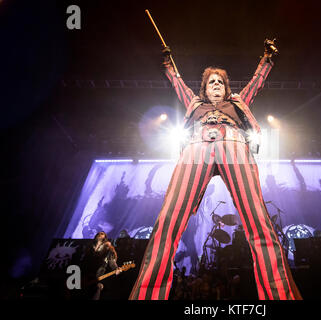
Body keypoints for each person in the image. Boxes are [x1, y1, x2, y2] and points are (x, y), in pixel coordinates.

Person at [129, 39, 302, 300]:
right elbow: (177, 82)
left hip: (233, 143)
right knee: (168, 220)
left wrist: (267, 58)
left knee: (259, 221)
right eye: (211, 82)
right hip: (197, 146)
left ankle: (280, 296)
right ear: (205, 88)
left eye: (220, 81)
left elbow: (256, 83)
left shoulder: (238, 101)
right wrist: (167, 63)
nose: (216, 85)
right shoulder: (195, 103)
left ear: (226, 87)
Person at [82, 231, 121, 300]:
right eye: (98, 233)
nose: (99, 234)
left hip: (98, 274)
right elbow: (83, 260)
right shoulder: (90, 247)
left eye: (102, 234)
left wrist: (116, 268)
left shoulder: (108, 248)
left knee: (96, 290)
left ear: (105, 237)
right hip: (86, 274)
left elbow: (112, 261)